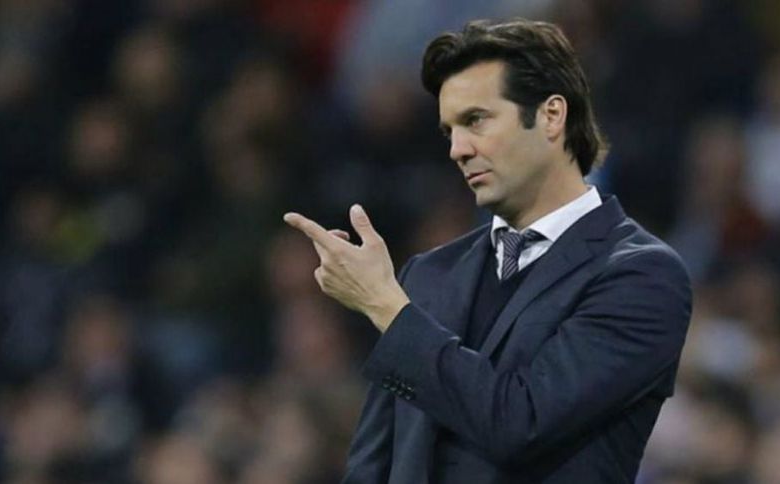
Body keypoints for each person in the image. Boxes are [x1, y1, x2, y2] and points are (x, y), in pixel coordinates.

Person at [284, 19, 692, 484]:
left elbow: (522, 424)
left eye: (476, 120)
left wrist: (385, 307)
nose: (458, 149)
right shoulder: (428, 275)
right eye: (449, 131)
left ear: (551, 116)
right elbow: (371, 465)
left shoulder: (642, 277)